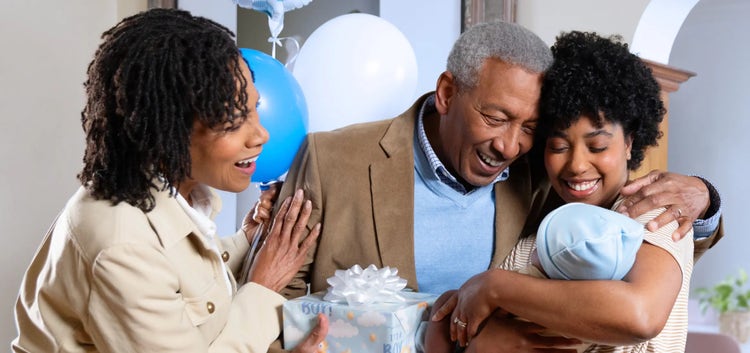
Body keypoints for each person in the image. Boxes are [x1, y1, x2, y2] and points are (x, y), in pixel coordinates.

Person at [269, 21, 723, 351]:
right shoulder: (333, 159)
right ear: (447, 93)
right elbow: (271, 305)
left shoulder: (547, 175)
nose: (510, 145)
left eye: (530, 127)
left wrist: (706, 197)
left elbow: (650, 255)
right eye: (496, 118)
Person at [12, 8, 327, 353]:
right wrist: (265, 284)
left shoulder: (170, 195)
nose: (261, 135)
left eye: (254, 109)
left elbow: (185, 289)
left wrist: (246, 242)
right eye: (234, 122)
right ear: (171, 131)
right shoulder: (121, 245)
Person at [430, 31, 699, 353]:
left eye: (597, 146)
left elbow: (640, 316)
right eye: (558, 146)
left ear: (629, 142)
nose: (576, 165)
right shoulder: (530, 240)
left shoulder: (654, 212)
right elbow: (453, 326)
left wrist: (495, 287)